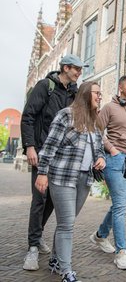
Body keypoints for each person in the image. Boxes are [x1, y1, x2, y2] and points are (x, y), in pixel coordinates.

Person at [21, 54, 87, 271]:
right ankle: (32, 247)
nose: (79, 72)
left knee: (51, 201)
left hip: (63, 158)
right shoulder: (45, 86)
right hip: (42, 152)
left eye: (80, 69)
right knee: (39, 198)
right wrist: (30, 146)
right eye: (76, 68)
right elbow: (28, 116)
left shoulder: (75, 93)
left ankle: (37, 235)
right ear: (65, 67)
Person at [35, 81, 106, 282]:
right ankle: (67, 272)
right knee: (67, 224)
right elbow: (49, 146)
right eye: (97, 93)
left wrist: (101, 158)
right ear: (85, 94)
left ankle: (55, 260)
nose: (100, 96)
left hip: (84, 178)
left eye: (101, 94)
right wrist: (42, 173)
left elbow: (99, 149)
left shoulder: (95, 121)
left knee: (67, 221)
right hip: (63, 176)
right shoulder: (66, 115)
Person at [90, 75, 126, 270]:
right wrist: (111, 148)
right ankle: (121, 252)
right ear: (120, 88)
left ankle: (100, 235)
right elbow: (96, 131)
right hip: (114, 160)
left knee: (119, 204)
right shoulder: (109, 108)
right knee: (121, 206)